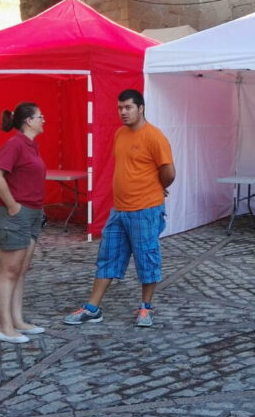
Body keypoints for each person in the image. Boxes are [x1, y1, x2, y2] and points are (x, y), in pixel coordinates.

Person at [65, 89, 175, 328]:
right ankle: (93, 308)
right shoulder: (120, 134)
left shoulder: (154, 136)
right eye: (120, 108)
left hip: (145, 209)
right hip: (120, 210)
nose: (123, 112)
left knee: (147, 258)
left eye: (128, 107)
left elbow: (169, 172)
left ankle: (146, 308)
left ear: (141, 108)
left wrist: (158, 186)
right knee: (108, 255)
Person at [0, 102, 47, 343]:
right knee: (9, 271)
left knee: (21, 270)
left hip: (31, 214)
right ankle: (5, 327)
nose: (44, 120)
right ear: (29, 121)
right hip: (15, 215)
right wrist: (12, 204)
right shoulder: (15, 144)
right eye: (40, 117)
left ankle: (18, 321)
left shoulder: (31, 146)